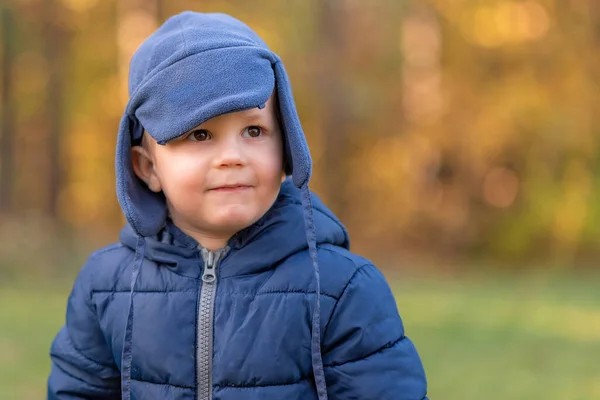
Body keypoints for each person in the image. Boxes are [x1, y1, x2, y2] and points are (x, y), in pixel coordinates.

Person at [48, 11, 428, 400]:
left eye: (254, 131)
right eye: (200, 134)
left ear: (286, 149)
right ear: (148, 168)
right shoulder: (105, 287)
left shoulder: (339, 287)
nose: (232, 156)